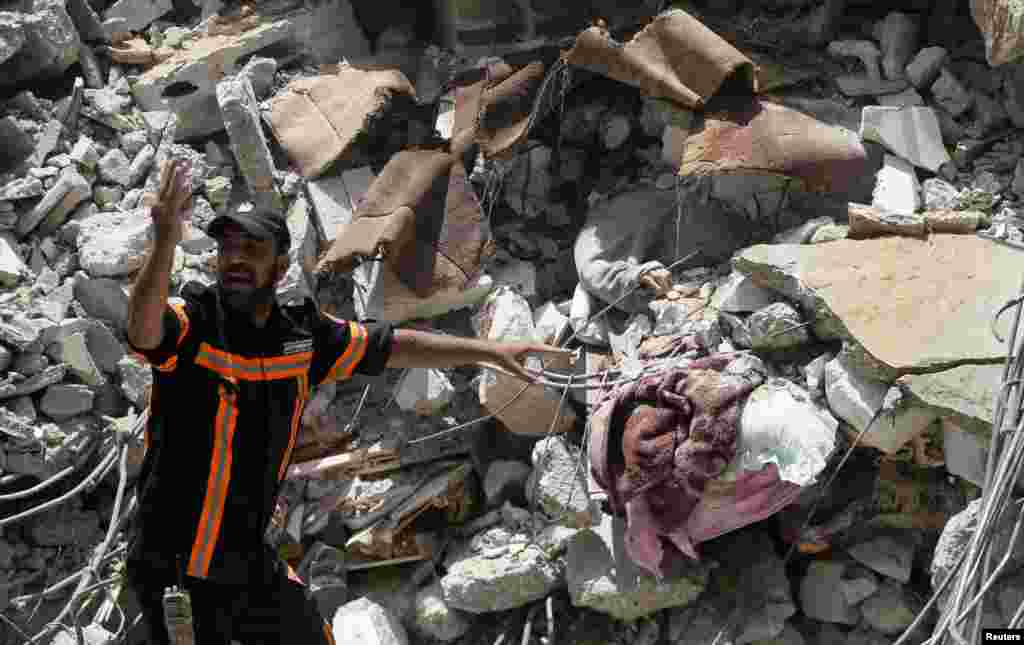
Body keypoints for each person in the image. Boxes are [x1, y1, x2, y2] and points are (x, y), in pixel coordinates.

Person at [123, 158, 567, 644]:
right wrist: (165, 238)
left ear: (280, 265)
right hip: (172, 565)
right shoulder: (195, 325)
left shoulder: (301, 337)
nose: (234, 260)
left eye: (251, 250)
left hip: (244, 558)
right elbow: (144, 332)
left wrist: (492, 352)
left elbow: (390, 346)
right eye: (226, 249)